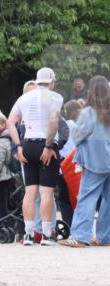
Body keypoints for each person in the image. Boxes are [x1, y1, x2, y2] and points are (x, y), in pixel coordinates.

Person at [7, 68, 63, 245]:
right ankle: (46, 234)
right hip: (45, 143)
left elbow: (10, 122)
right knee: (47, 192)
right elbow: (53, 121)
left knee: (30, 191)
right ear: (52, 82)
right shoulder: (55, 97)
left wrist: (18, 146)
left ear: (37, 81)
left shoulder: (23, 98)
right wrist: (48, 146)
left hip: (27, 144)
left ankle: (29, 234)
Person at [62, 76, 110, 247]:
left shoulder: (88, 112)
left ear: (91, 91)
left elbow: (77, 136)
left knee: (87, 198)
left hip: (94, 162)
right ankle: (106, 237)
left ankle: (80, 236)